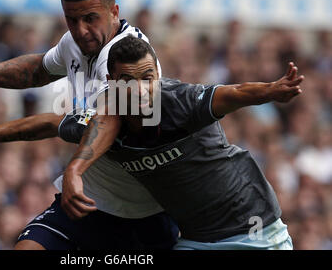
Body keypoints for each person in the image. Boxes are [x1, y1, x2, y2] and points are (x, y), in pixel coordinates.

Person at [0, 0, 178, 250]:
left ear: (114, 11)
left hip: (141, 211)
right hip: (89, 199)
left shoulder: (130, 57)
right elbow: (37, 70)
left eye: (90, 18)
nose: (81, 30)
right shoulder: (75, 42)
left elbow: (104, 121)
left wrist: (74, 169)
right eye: (72, 20)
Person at [68, 35, 303, 249]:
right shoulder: (103, 122)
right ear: (112, 81)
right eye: (128, 81)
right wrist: (72, 171)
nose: (139, 90)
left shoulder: (182, 101)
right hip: (196, 240)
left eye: (147, 78)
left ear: (157, 77)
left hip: (253, 230)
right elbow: (52, 123)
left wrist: (271, 90)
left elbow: (235, 92)